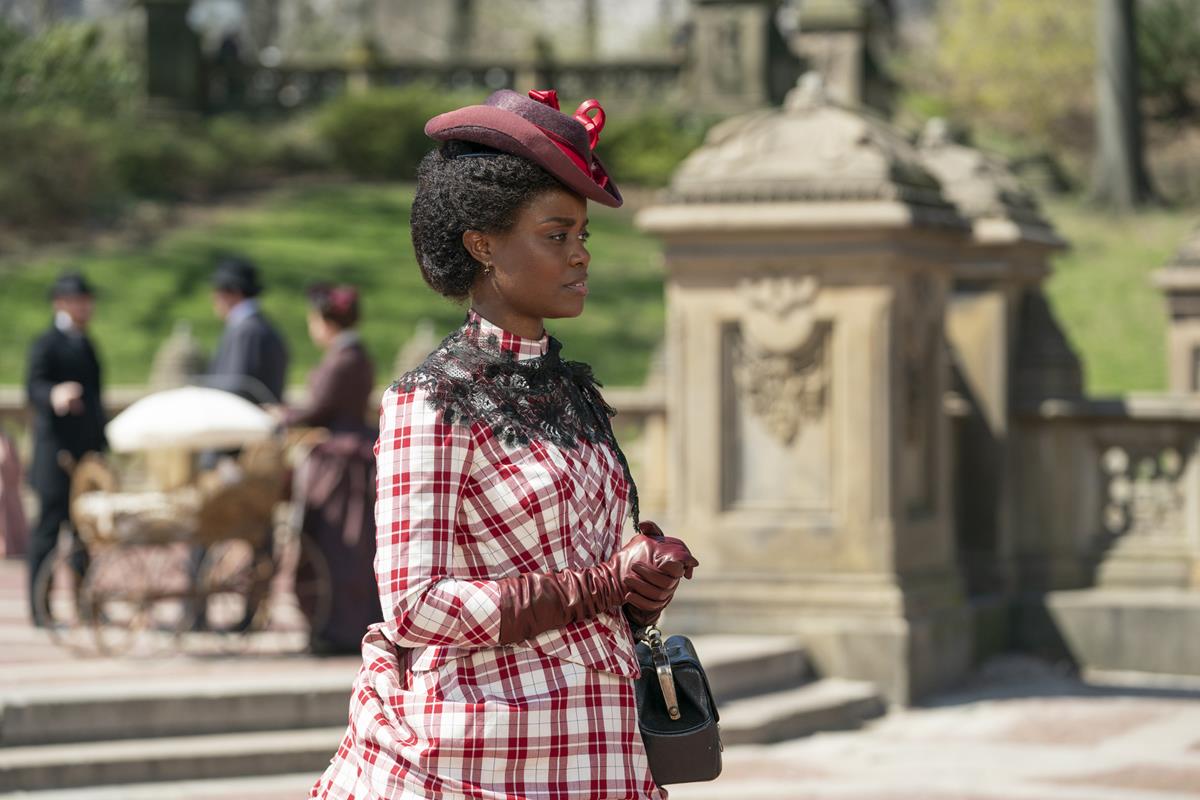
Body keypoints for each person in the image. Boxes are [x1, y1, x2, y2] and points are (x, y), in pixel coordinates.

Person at [311, 89, 698, 800]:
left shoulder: (574, 391)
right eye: (557, 235)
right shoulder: (431, 401)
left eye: (584, 236)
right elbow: (414, 605)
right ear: (483, 246)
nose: (581, 256)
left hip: (601, 745)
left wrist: (640, 585)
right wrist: (602, 585)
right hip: (478, 756)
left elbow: (579, 578)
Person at [272, 283, 382, 654]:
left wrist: (282, 416)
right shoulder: (351, 354)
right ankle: (338, 624)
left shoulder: (345, 358)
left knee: (342, 544)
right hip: (344, 456)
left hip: (342, 464)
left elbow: (318, 407)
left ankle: (343, 629)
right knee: (343, 543)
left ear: (325, 320)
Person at [25, 271, 106, 625]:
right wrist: (54, 394)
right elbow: (34, 386)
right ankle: (40, 607)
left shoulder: (86, 343)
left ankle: (84, 601)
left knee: (82, 532)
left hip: (85, 453)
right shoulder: (47, 343)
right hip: (54, 453)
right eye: (79, 300)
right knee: (48, 529)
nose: (85, 307)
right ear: (61, 303)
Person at [208, 256, 288, 405]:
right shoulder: (255, 326)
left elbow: (238, 386)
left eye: (218, 290)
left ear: (234, 292)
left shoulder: (248, 331)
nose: (213, 297)